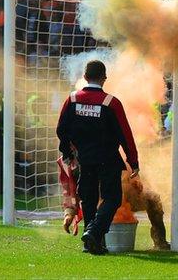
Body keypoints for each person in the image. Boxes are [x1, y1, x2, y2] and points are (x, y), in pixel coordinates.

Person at [55, 60, 139, 255]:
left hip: (84, 159)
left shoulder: (72, 99)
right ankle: (94, 232)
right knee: (112, 198)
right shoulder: (111, 102)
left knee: (89, 199)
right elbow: (125, 135)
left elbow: (61, 129)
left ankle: (91, 243)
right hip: (108, 158)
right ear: (104, 79)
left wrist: (67, 153)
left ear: (85, 77)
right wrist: (133, 161)